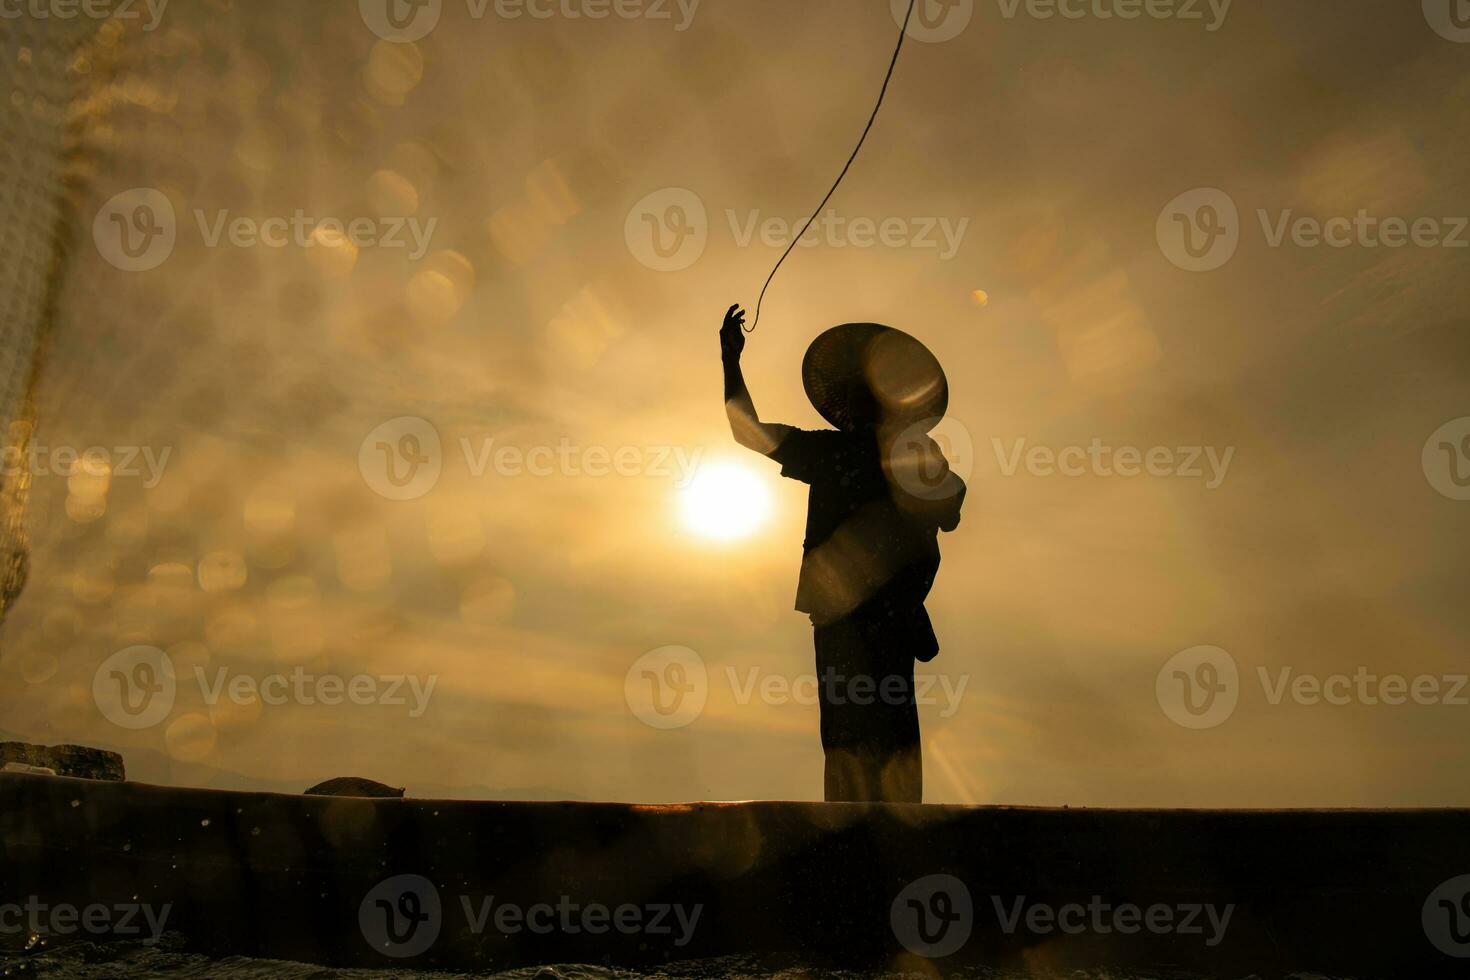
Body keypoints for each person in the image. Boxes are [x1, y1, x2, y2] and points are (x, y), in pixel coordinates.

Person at [719, 304, 965, 803]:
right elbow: (747, 431)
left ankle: (879, 829)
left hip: (883, 615)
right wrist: (730, 361)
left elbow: (950, 504)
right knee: (854, 734)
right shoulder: (841, 454)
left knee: (877, 733)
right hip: (844, 615)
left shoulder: (904, 456)